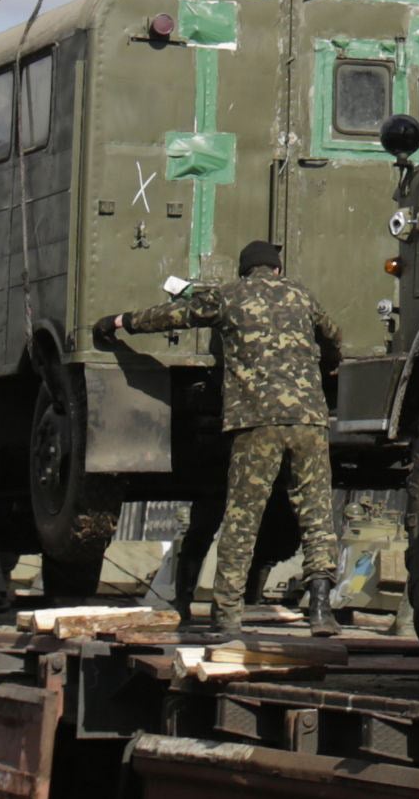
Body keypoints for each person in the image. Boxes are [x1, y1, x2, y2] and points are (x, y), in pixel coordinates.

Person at [96, 241, 344, 630]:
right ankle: (320, 610)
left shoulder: (229, 297)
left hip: (255, 423)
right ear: (276, 270)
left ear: (246, 271)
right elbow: (334, 339)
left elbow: (173, 315)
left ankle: (227, 616)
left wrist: (120, 322)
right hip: (309, 421)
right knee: (316, 518)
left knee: (243, 518)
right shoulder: (302, 296)